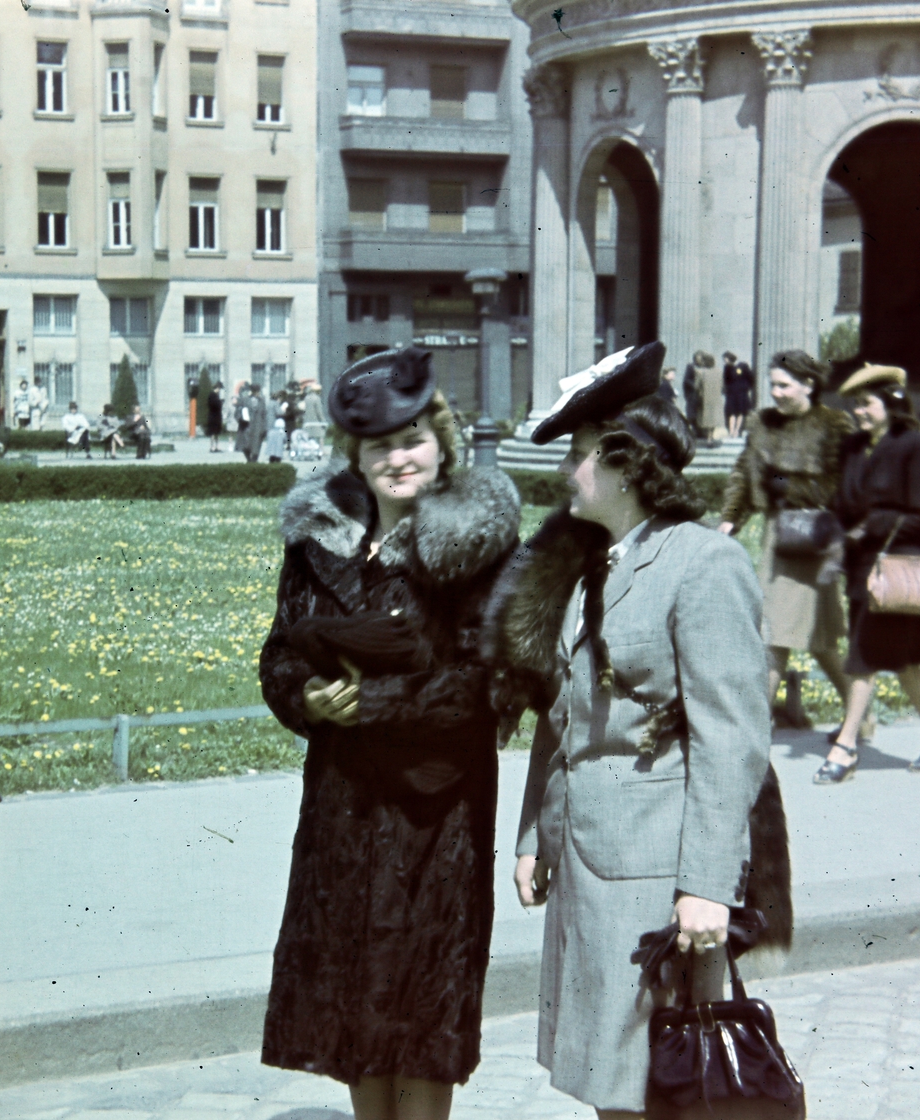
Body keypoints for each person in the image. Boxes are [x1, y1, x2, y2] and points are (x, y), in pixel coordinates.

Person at [484, 342, 782, 1120]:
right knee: (611, 1080)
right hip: (590, 864)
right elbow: (562, 715)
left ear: (625, 466)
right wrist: (530, 835)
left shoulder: (702, 564)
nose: (566, 471)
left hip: (660, 875)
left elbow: (732, 739)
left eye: (581, 455)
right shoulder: (587, 565)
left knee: (666, 1083)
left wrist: (708, 888)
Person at [259, 346, 523, 1120]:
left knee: (421, 1006)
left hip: (434, 815)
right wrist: (307, 699)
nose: (398, 458)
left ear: (441, 443)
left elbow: (485, 684)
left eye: (412, 440)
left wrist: (370, 707)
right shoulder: (318, 542)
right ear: (357, 456)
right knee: (352, 1000)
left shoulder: (477, 547)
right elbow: (278, 652)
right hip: (344, 807)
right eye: (380, 446)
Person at [817, 364, 920, 784]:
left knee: (863, 656)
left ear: (892, 404)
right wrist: (835, 532)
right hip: (862, 570)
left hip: (899, 566)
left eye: (867, 403)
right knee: (904, 661)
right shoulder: (856, 448)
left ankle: (846, 746)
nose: (858, 411)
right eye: (855, 404)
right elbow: (843, 502)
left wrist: (871, 526)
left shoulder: (918, 446)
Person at [719, 350, 857, 734]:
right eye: (773, 385)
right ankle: (860, 713)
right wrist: (729, 521)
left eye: (783, 385)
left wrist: (782, 484)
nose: (775, 393)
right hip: (776, 539)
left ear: (809, 385)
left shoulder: (834, 426)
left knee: (781, 633)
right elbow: (744, 476)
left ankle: (752, 729)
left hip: (813, 540)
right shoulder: (762, 423)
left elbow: (838, 487)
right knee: (810, 637)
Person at [722, 350, 755, 439]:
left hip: (741, 393)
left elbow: (751, 378)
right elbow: (726, 380)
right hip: (731, 394)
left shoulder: (743, 366)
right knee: (731, 412)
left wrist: (746, 387)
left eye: (726, 359)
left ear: (730, 358)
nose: (725, 361)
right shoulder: (727, 368)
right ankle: (731, 431)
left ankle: (737, 430)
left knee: (740, 412)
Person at [237, 382, 268, 462]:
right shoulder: (245, 400)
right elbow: (238, 412)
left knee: (257, 445)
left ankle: (254, 460)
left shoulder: (261, 401)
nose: (258, 393)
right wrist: (241, 417)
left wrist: (265, 427)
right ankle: (248, 459)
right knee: (245, 445)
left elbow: (264, 415)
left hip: (258, 426)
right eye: (257, 391)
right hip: (247, 426)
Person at [206, 383, 226, 452]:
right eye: (219, 389)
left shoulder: (216, 396)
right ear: (217, 388)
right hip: (213, 416)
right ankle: (212, 447)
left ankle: (217, 447)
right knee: (213, 433)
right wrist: (220, 402)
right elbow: (213, 405)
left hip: (217, 416)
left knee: (217, 433)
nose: (219, 390)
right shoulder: (212, 395)